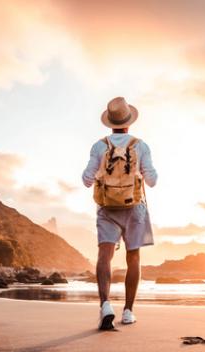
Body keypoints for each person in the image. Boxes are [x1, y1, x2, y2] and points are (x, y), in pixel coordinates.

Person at [82, 97, 157, 330]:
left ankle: (105, 305)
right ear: (128, 122)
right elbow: (152, 180)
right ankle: (127, 312)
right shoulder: (141, 145)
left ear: (110, 122)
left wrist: (104, 174)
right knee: (133, 258)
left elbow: (86, 180)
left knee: (105, 256)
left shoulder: (99, 146)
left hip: (106, 208)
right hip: (134, 207)